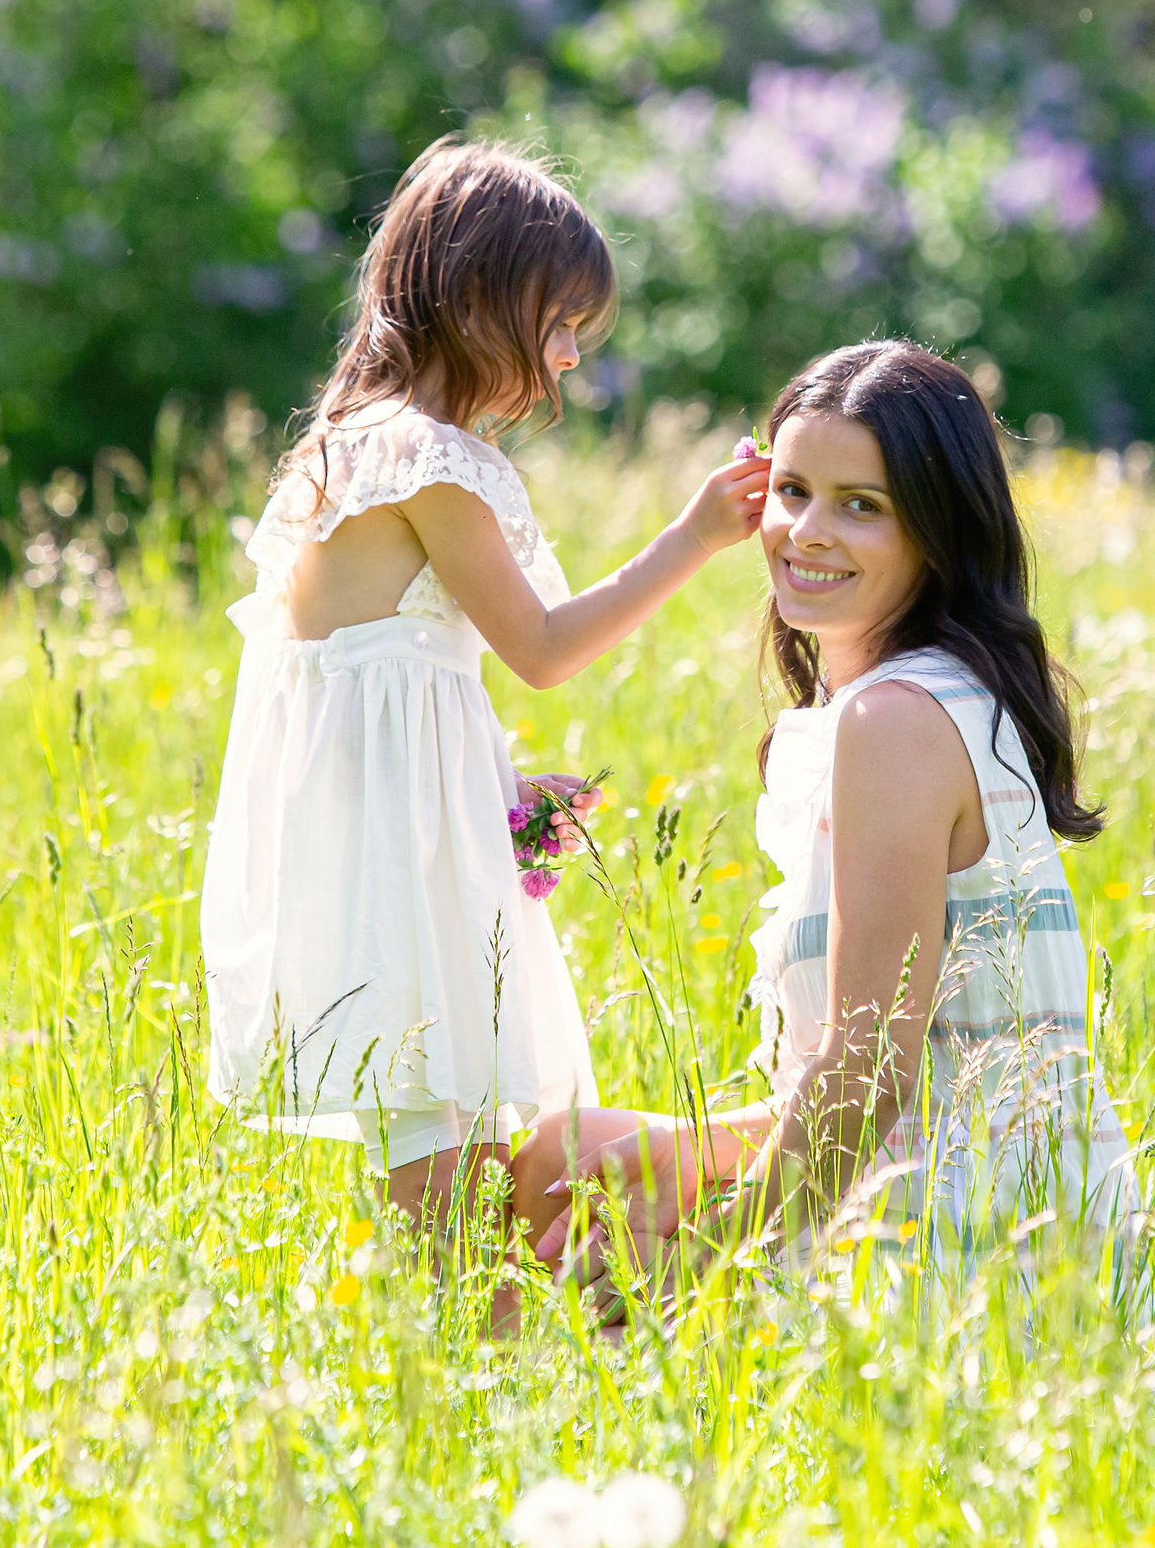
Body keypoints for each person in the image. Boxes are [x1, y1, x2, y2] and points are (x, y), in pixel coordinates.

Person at [201, 138, 771, 1252]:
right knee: (450, 1171)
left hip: (378, 850)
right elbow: (542, 650)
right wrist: (692, 536)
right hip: (397, 873)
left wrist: (496, 786)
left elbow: (370, 673)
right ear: (475, 300)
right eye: (555, 324)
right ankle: (501, 1365)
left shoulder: (350, 447)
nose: (564, 360)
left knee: (448, 1147)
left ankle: (507, 1357)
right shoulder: (431, 460)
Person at [512, 340, 1137, 1314]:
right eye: (792, 489)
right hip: (928, 1180)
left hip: (969, 1248)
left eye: (862, 506)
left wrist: (705, 1260)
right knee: (560, 1160)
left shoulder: (895, 722)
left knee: (567, 1243)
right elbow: (907, 1073)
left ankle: (512, 1435)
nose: (805, 531)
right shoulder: (920, 701)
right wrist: (690, 1150)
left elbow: (871, 1068)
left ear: (938, 533)